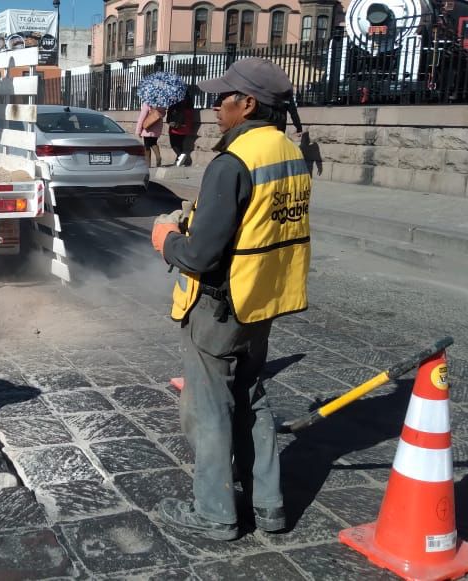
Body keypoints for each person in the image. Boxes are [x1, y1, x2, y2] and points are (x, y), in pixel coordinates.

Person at [150, 58, 311, 541]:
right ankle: (268, 504)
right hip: (262, 301)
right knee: (251, 397)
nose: (216, 105)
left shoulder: (233, 161)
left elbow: (201, 255)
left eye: (225, 98)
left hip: (221, 305)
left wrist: (167, 240)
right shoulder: (287, 151)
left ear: (249, 104)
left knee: (211, 405)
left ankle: (215, 513)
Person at [135, 100, 167, 167]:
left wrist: (138, 130)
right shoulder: (162, 104)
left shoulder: (147, 103)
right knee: (154, 143)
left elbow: (142, 117)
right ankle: (158, 157)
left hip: (148, 128)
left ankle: (148, 164)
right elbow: (163, 114)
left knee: (147, 146)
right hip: (157, 129)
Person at [166, 94, 196, 166]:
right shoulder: (189, 104)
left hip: (176, 127)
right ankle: (178, 161)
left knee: (174, 145)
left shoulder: (175, 103)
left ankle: (182, 157)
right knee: (180, 144)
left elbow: (170, 115)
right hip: (186, 127)